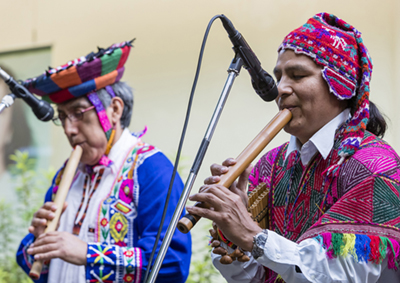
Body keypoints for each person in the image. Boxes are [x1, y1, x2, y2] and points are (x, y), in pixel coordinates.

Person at [187, 13, 400, 282]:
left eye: (297, 75)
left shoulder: (375, 166)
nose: (281, 89)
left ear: (340, 84)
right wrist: (232, 235)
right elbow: (258, 278)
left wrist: (253, 236)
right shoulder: (269, 166)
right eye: (279, 76)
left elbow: (341, 275)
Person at [16, 41, 191, 283]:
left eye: (78, 113)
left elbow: (172, 264)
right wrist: (38, 240)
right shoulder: (66, 175)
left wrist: (87, 253)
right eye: (63, 117)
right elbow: (32, 266)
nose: (69, 129)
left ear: (115, 110)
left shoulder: (151, 169)